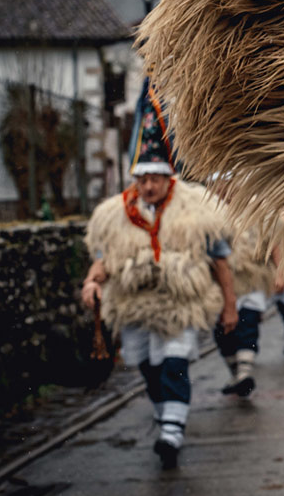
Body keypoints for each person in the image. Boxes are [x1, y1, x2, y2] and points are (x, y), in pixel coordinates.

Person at [81, 81, 236, 468]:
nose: (147, 186)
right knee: (148, 367)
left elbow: (220, 259)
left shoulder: (197, 208)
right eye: (141, 179)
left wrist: (229, 305)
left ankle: (171, 431)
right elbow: (103, 257)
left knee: (173, 362)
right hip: (135, 306)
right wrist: (91, 281)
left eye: (154, 178)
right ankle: (165, 414)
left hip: (179, 304)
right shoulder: (114, 214)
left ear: (169, 177)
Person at [214, 226, 273, 396]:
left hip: (250, 282)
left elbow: (273, 241)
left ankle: (244, 373)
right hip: (218, 287)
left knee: (248, 325)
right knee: (223, 333)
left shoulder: (256, 213)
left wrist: (280, 272)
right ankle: (237, 375)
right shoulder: (207, 211)